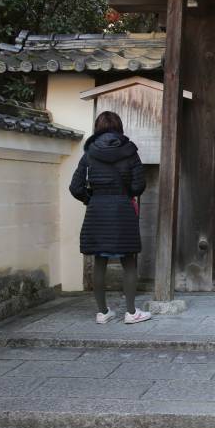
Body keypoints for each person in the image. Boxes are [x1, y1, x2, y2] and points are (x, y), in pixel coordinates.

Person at [69, 111, 150, 324]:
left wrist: (91, 199)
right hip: (122, 208)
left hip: (97, 210)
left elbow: (75, 187)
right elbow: (139, 184)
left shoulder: (89, 154)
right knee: (129, 260)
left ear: (98, 128)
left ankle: (103, 312)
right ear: (119, 128)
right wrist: (127, 195)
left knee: (99, 260)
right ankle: (132, 312)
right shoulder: (130, 152)